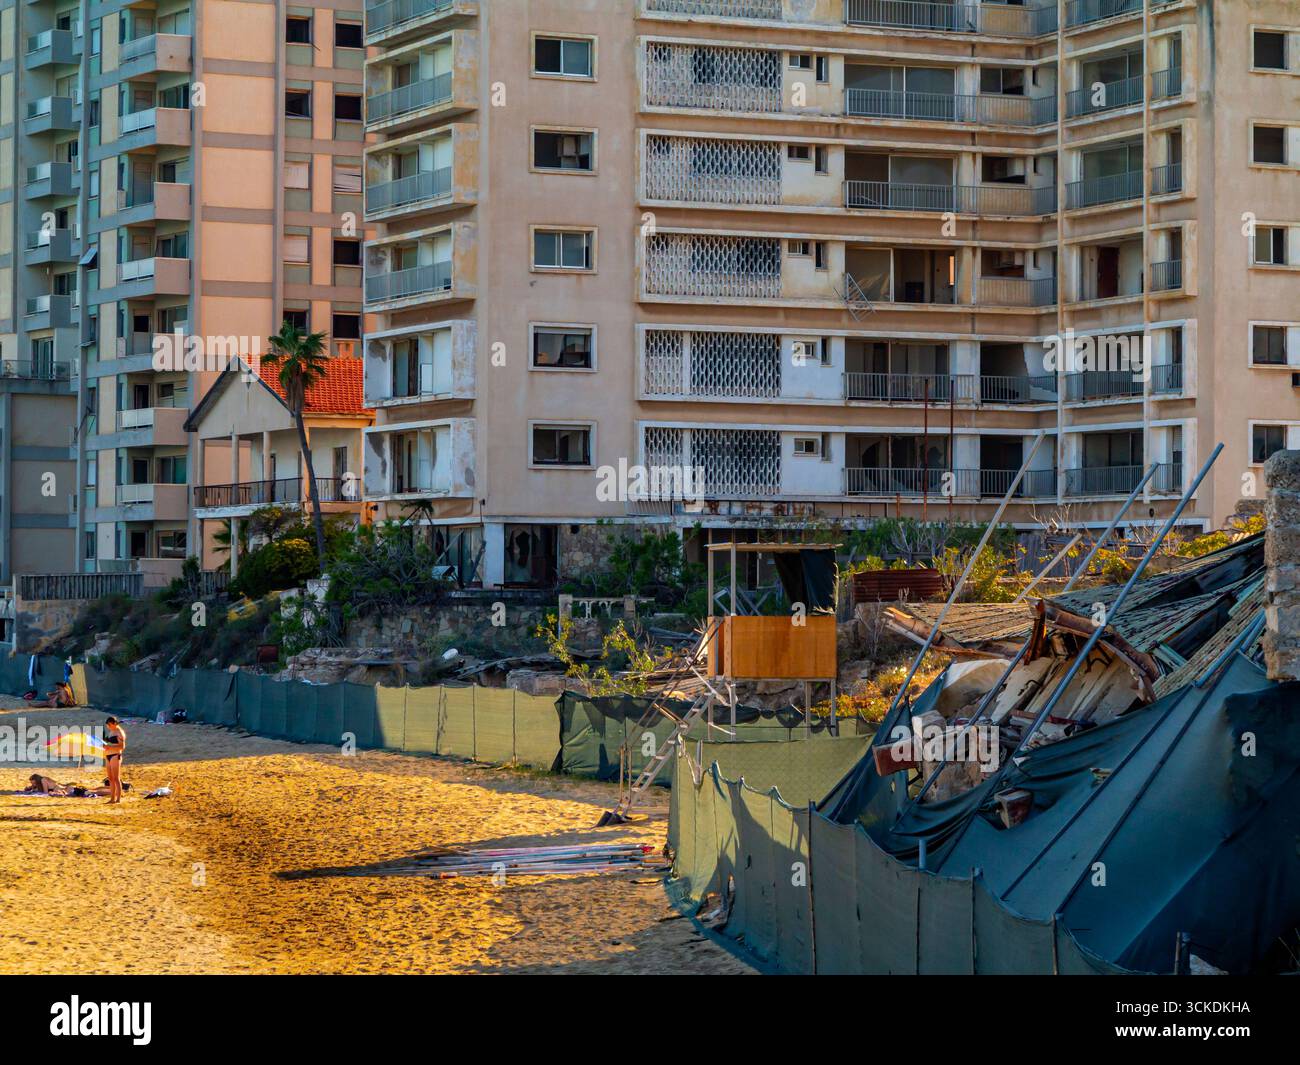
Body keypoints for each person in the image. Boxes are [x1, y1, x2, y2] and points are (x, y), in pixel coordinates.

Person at [102, 716, 126, 804]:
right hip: (108, 755)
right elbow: (110, 743)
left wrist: (110, 746)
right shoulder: (112, 731)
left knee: (116, 778)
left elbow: (122, 747)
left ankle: (118, 799)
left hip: (115, 755)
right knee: (111, 778)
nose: (108, 726)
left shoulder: (120, 732)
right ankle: (112, 798)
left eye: (109, 725)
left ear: (114, 723)